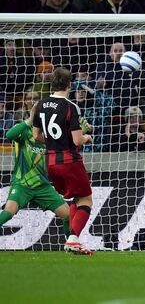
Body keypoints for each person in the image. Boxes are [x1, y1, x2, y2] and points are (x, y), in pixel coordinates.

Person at [32, 67, 94, 254]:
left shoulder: (41, 105)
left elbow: (36, 136)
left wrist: (54, 142)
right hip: (69, 161)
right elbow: (77, 140)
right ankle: (73, 239)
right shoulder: (70, 106)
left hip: (50, 162)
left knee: (76, 198)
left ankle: (70, 239)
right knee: (86, 200)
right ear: (69, 84)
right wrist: (87, 137)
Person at [1, 103, 73, 249]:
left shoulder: (52, 136)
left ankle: (71, 245)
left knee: (68, 215)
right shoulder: (25, 130)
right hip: (22, 183)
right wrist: (29, 119)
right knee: (8, 212)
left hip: (43, 186)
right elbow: (9, 135)